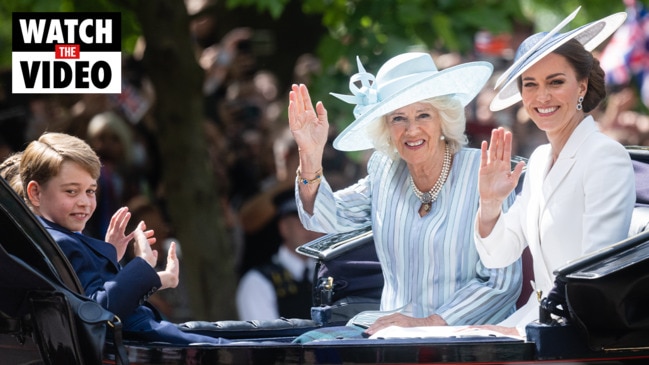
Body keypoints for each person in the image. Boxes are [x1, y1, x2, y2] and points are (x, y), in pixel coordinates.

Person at [288, 52, 522, 337]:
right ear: (386, 128)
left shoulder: (483, 172)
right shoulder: (385, 170)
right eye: (398, 118)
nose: (412, 129)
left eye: (423, 114)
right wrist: (311, 156)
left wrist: (430, 324)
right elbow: (327, 218)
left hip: (473, 340)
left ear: (443, 119)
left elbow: (502, 282)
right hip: (395, 337)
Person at [474, 8, 635, 337]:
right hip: (535, 323)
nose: (541, 96)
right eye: (530, 84)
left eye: (556, 82)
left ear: (581, 85)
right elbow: (499, 256)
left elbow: (593, 276)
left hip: (576, 332)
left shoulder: (604, 156)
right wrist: (490, 204)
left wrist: (524, 331)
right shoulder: (539, 159)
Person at [19, 132, 229, 345]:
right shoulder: (58, 243)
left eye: (90, 191)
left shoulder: (56, 237)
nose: (85, 202)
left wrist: (118, 261)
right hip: (137, 342)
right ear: (36, 193)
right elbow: (95, 314)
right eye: (72, 191)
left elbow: (94, 295)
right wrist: (142, 265)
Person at [236, 188, 322, 320]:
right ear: (284, 227)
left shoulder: (332, 274)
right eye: (302, 222)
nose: (310, 229)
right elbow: (266, 338)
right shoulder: (258, 281)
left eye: (316, 221)